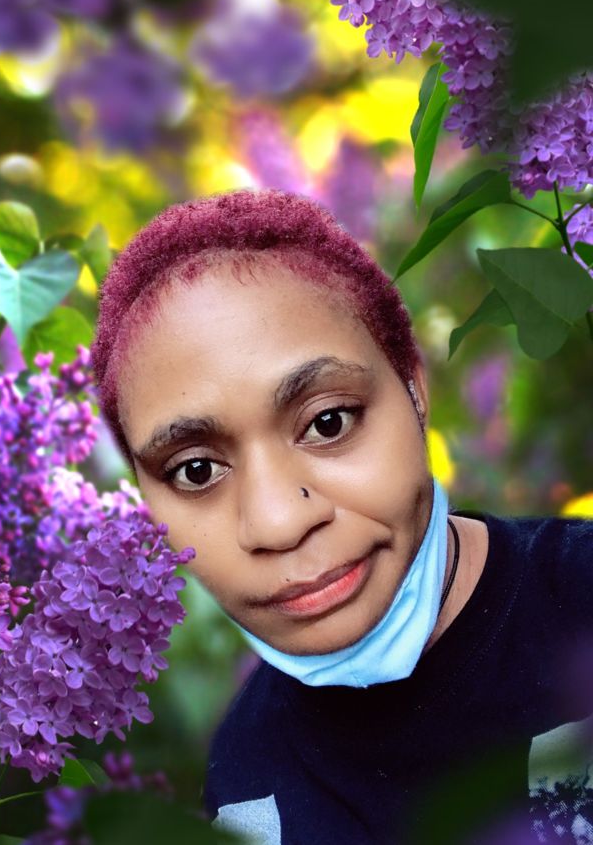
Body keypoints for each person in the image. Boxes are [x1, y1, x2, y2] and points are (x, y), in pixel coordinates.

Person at [91, 189, 593, 845]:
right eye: (196, 470)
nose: (279, 522)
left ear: (413, 388)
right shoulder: (246, 785)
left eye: (328, 422)